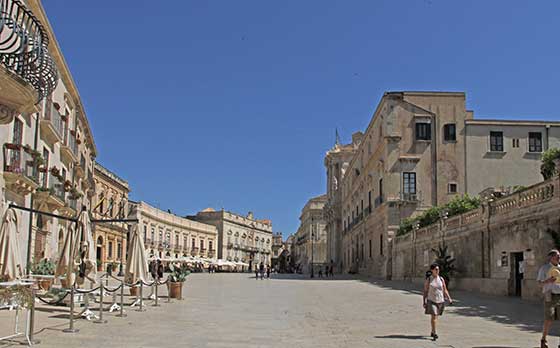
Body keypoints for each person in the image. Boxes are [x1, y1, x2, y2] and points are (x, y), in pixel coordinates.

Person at [423, 263, 452, 341]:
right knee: (434, 316)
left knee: (435, 316)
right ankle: (435, 332)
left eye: (438, 269)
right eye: (436, 269)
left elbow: (445, 289)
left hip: (440, 300)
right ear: (432, 270)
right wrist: (424, 301)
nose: (437, 270)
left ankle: (432, 330)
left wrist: (449, 298)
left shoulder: (441, 279)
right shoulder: (429, 279)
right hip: (431, 300)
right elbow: (425, 291)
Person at [537, 249, 560, 348]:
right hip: (549, 296)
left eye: (559, 256)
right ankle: (543, 340)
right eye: (557, 256)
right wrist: (548, 281)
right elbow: (539, 283)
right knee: (549, 319)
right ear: (551, 257)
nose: (559, 258)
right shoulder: (544, 268)